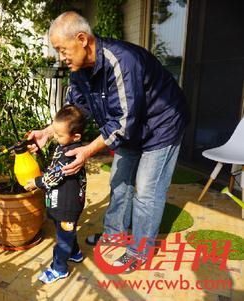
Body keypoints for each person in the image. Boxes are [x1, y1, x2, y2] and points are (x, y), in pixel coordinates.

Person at [28, 11, 189, 273]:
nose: (61, 57)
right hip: (133, 127)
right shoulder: (79, 71)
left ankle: (138, 252)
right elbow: (76, 111)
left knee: (146, 191)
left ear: (82, 39)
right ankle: (114, 236)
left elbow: (124, 122)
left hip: (162, 124)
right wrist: (48, 132)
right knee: (119, 180)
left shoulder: (121, 61)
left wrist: (88, 150)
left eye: (62, 49)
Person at [24, 104, 87, 284]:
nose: (56, 138)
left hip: (68, 205)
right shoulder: (65, 145)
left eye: (59, 135)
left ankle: (59, 269)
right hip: (62, 201)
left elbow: (57, 174)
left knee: (63, 239)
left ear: (75, 136)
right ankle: (75, 253)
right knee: (65, 232)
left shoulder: (72, 152)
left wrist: (37, 182)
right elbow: (54, 167)